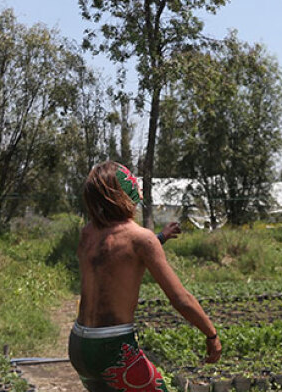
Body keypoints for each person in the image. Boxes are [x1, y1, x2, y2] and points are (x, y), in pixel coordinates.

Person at [69, 162, 220, 391]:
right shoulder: (141, 239)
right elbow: (180, 299)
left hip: (79, 345)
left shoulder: (87, 233)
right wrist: (211, 334)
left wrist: (160, 237)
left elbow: (116, 254)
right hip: (114, 349)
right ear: (124, 192)